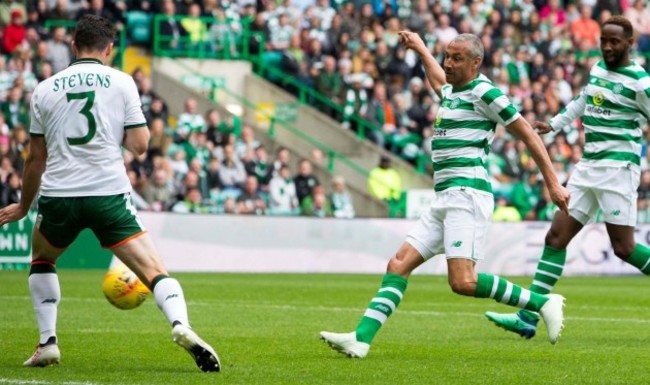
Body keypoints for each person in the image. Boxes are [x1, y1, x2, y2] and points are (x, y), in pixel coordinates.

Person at [319, 32, 570, 358]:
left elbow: (527, 135)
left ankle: (541, 302)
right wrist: (422, 49)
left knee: (463, 282)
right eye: (447, 56)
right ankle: (361, 339)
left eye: (456, 59)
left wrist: (553, 183)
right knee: (398, 265)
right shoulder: (453, 92)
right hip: (444, 198)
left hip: (468, 195)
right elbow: (440, 81)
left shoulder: (486, 93)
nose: (448, 64)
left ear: (475, 63)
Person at [0, 16, 220, 372]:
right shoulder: (121, 82)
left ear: (74, 46)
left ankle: (48, 342)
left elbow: (34, 160)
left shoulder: (44, 88)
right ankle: (181, 326)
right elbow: (140, 145)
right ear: (109, 49)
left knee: (42, 259)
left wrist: (24, 206)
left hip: (59, 196)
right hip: (107, 194)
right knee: (155, 271)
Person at [485, 16, 650, 339]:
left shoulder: (640, 82)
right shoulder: (598, 69)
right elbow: (584, 101)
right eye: (603, 40)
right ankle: (528, 316)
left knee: (625, 248)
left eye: (614, 41)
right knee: (556, 238)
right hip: (587, 169)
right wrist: (555, 124)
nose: (607, 46)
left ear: (630, 43)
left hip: (618, 171)